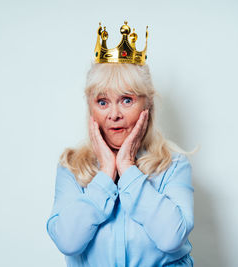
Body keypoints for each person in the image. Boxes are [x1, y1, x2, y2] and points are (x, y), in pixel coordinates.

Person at [46, 21, 196, 267]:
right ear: (90, 108)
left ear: (146, 105)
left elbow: (172, 238)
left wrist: (127, 168)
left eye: (126, 100)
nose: (114, 115)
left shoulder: (174, 166)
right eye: (103, 102)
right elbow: (68, 241)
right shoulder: (72, 167)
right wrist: (106, 173)